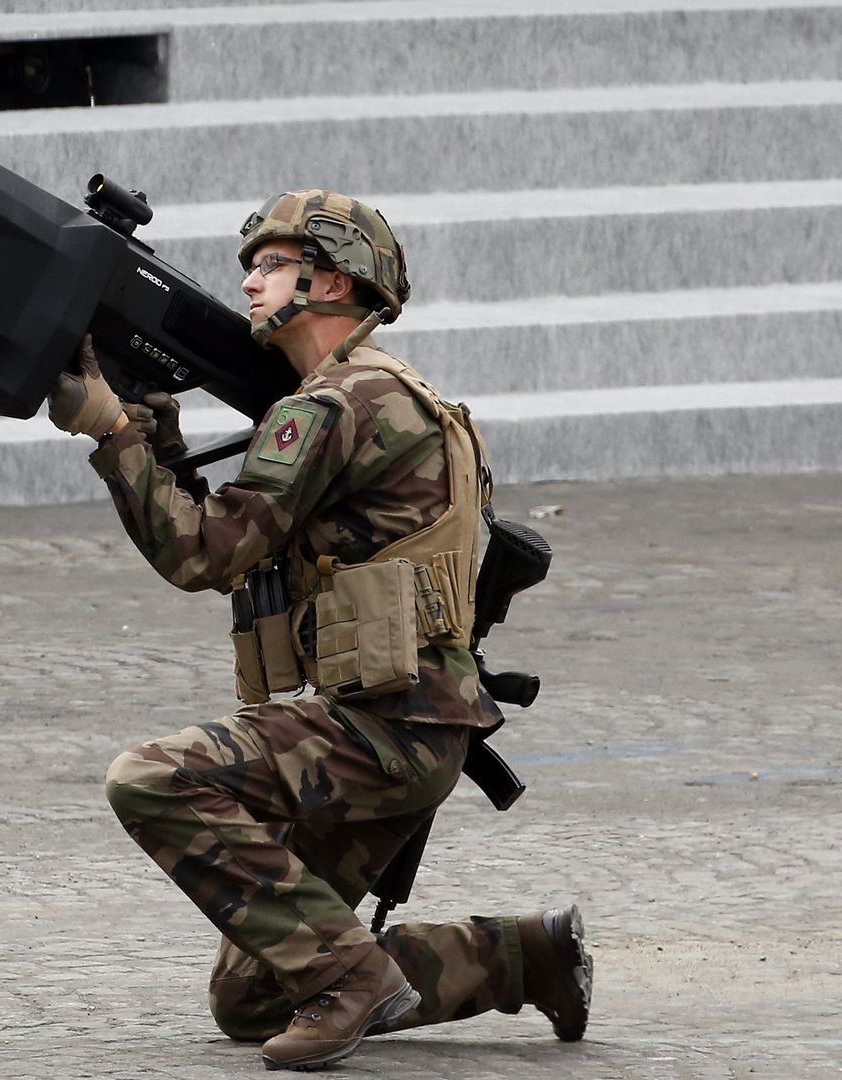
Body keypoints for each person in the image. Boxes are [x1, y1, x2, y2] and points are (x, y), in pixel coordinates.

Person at [46, 190, 592, 1071]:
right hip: (415, 726)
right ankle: (531, 954)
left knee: (150, 779)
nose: (250, 282)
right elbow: (236, 525)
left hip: (382, 730)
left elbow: (202, 554)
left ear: (332, 280)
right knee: (252, 995)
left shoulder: (333, 405)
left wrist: (112, 431)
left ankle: (354, 979)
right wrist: (159, 430)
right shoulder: (377, 392)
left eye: (270, 264)